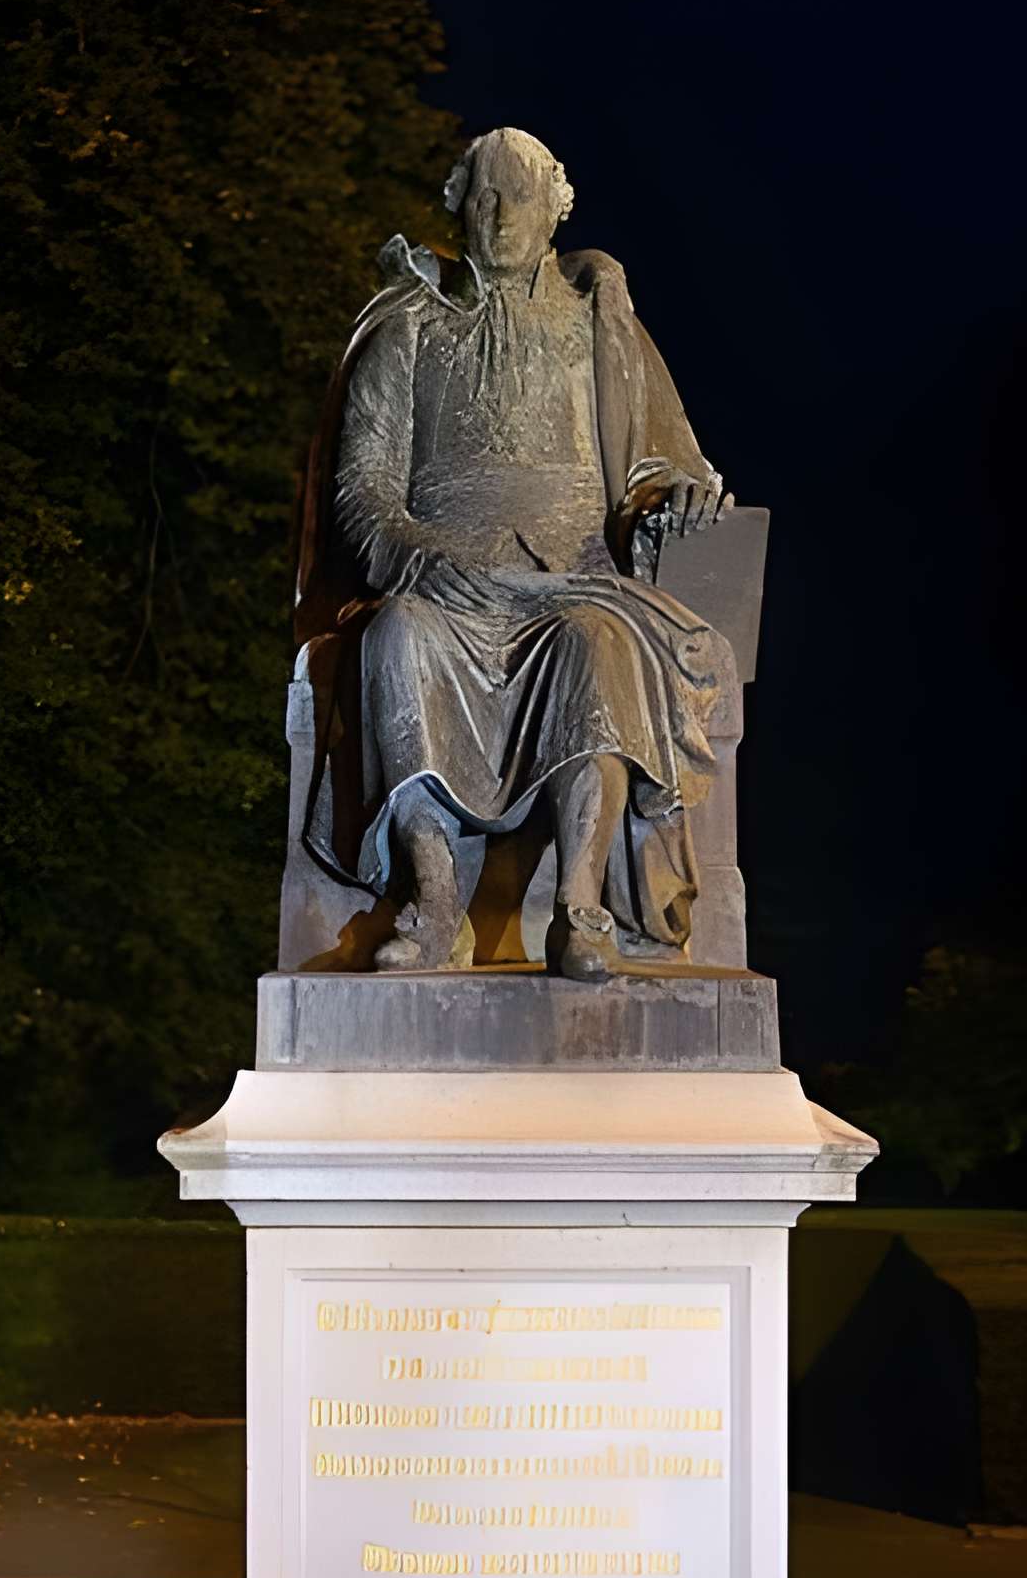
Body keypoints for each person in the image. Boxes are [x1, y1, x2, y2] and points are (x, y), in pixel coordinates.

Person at [303, 127, 731, 980]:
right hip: (440, 583)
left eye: (520, 197)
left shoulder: (602, 329)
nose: (501, 216)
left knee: (597, 649)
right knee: (397, 640)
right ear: (459, 205)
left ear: (555, 212)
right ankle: (432, 900)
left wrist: (671, 498)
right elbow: (365, 485)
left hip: (572, 583)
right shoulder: (409, 328)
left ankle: (581, 909)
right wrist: (422, 558)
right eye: (485, 196)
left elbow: (657, 469)